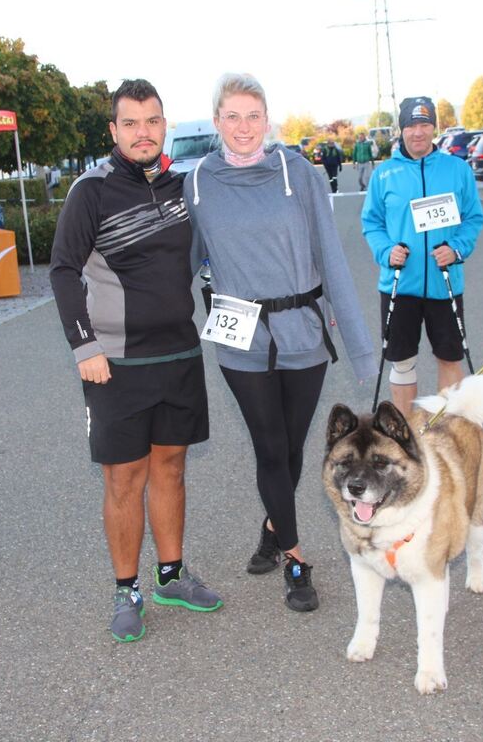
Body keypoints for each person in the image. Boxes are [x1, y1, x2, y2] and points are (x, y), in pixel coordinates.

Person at [185, 73, 375, 612]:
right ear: (217, 121)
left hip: (302, 332)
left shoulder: (301, 173)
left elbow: (331, 258)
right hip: (240, 338)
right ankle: (294, 557)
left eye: (253, 116)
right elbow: (184, 263)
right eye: (232, 116)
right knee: (269, 446)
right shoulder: (198, 183)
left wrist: (358, 341)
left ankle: (272, 525)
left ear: (267, 120)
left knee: (292, 447)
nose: (243, 127)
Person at [49, 78, 222, 643]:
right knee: (125, 477)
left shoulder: (180, 187)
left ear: (163, 125)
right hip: (115, 362)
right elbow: (62, 271)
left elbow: (208, 258)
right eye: (131, 123)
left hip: (178, 353)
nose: (142, 132)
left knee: (171, 466)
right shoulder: (90, 191)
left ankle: (170, 574)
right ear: (114, 131)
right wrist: (84, 346)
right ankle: (126, 589)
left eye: (152, 121)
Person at [361, 96, 483, 418]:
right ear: (401, 129)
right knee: (402, 360)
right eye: (411, 125)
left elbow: (473, 218)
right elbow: (371, 223)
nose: (418, 132)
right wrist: (387, 251)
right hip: (399, 284)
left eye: (425, 124)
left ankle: (446, 430)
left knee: (449, 357)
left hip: (445, 283)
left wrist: (457, 248)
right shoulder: (384, 174)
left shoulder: (456, 169)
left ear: (434, 127)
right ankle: (407, 435)